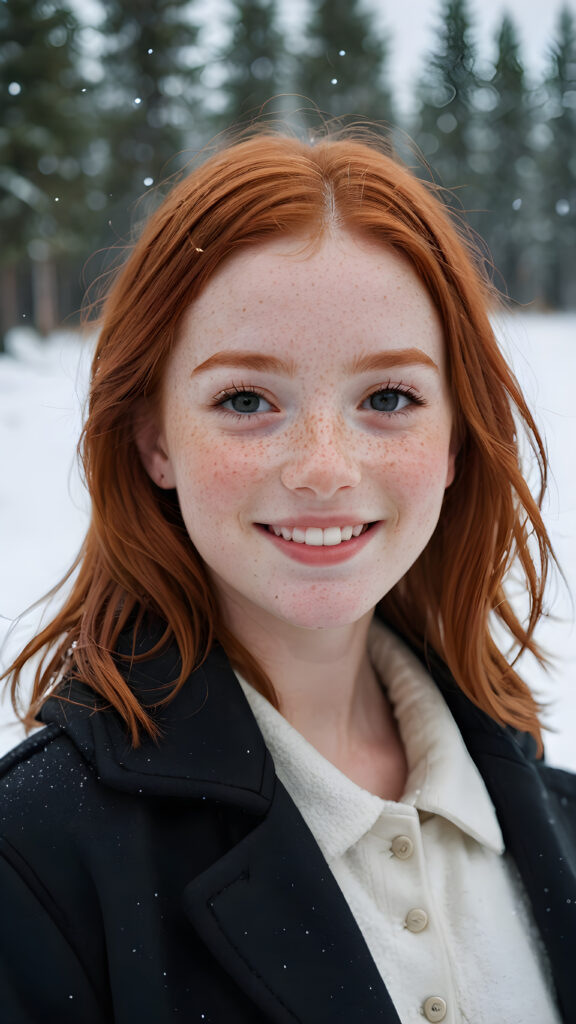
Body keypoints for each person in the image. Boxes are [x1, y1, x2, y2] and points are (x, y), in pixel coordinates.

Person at [1, 130, 574, 1024]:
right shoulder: (35, 859)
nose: (324, 467)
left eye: (389, 398)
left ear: (457, 437)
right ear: (155, 440)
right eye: (245, 400)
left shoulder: (549, 812)